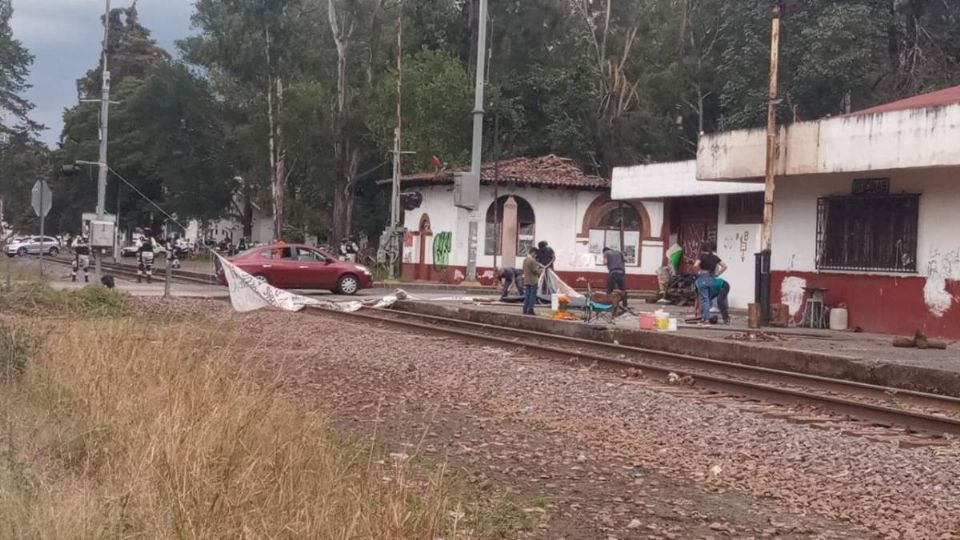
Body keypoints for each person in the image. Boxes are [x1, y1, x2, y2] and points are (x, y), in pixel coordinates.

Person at [693, 241, 727, 323]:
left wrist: (698, 272)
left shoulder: (701, 256)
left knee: (704, 299)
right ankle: (703, 316)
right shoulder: (715, 257)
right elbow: (724, 266)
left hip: (703, 277)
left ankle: (706, 318)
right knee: (707, 298)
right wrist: (717, 274)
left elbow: (695, 265)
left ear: (702, 248)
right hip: (712, 278)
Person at [522, 247, 542, 315]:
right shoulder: (532, 260)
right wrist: (541, 270)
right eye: (535, 254)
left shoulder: (525, 260)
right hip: (533, 281)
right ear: (533, 252)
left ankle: (525, 309)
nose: (535, 256)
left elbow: (524, 269)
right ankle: (530, 309)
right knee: (532, 296)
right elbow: (535, 271)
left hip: (527, 280)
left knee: (527, 295)